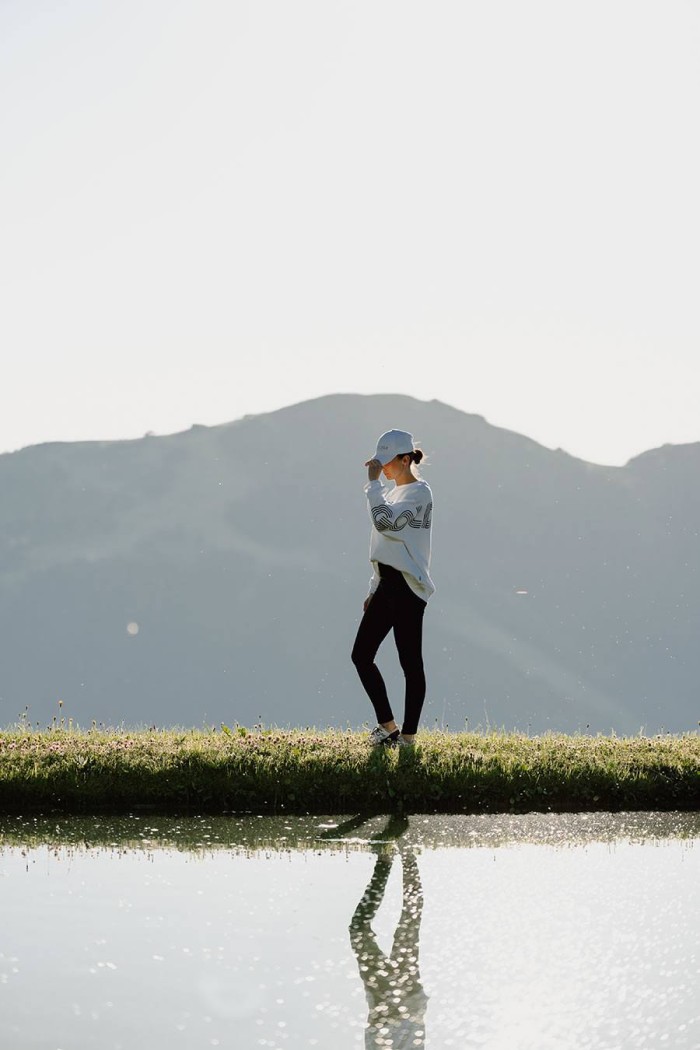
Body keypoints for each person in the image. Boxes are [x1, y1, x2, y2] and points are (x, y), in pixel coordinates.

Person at [351, 429, 435, 747]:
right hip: (387, 583)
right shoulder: (392, 495)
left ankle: (408, 737)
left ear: (405, 459)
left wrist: (372, 484)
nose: (383, 468)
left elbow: (385, 523)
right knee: (361, 655)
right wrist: (374, 587)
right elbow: (384, 545)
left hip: (408, 587)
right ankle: (388, 727)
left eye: (387, 463)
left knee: (410, 663)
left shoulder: (419, 493)